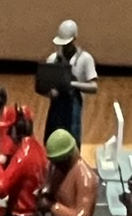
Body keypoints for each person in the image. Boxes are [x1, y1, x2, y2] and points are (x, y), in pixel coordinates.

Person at [38, 19, 98, 147]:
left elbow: (93, 87)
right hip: (56, 110)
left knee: (72, 143)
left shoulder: (85, 59)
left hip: (72, 111)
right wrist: (49, 92)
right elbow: (43, 87)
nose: (64, 47)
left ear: (74, 39)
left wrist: (72, 84)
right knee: (51, 142)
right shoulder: (52, 59)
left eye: (68, 44)